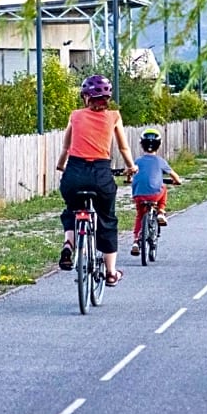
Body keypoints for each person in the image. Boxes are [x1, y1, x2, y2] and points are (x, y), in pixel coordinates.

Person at [55, 74, 138, 287]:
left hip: (74, 171)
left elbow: (66, 147)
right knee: (107, 220)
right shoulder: (114, 117)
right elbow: (123, 147)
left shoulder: (75, 116)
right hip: (101, 174)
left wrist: (60, 165)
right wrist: (131, 166)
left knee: (71, 210)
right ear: (107, 98)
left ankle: (68, 244)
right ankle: (110, 273)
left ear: (85, 97)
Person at [129, 128, 182, 256]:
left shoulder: (137, 161)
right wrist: (177, 181)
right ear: (158, 146)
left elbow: (131, 173)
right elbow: (174, 175)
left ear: (142, 145)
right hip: (155, 194)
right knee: (163, 187)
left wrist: (129, 179)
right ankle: (161, 212)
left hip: (139, 195)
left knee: (140, 216)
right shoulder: (160, 161)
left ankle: (136, 241)